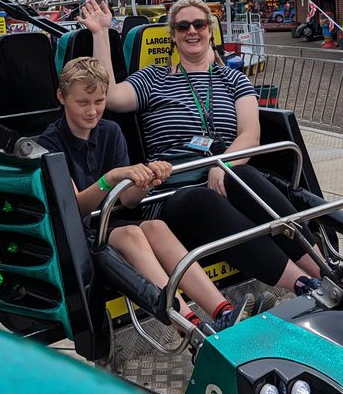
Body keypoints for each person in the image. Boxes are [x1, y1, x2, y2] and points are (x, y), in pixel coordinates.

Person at [81, 0, 327, 300]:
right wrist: (101, 32)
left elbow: (250, 135)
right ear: (172, 35)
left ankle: (324, 267)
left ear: (210, 30)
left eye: (199, 24)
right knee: (198, 198)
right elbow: (110, 95)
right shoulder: (154, 78)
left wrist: (221, 166)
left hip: (225, 174)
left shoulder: (233, 79)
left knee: (249, 177)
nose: (192, 31)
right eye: (183, 26)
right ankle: (302, 283)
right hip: (173, 190)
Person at [36, 57, 251, 333]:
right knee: (132, 234)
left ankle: (223, 310)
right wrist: (109, 179)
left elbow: (128, 201)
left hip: (112, 221)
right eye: (83, 103)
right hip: (78, 234)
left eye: (99, 102)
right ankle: (188, 323)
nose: (92, 112)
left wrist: (146, 180)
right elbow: (75, 208)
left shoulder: (111, 132)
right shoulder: (49, 145)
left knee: (156, 227)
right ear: (62, 97)